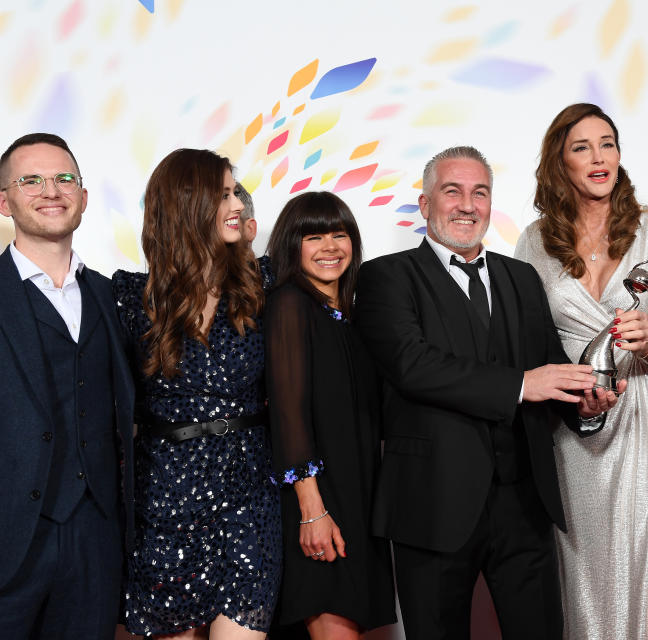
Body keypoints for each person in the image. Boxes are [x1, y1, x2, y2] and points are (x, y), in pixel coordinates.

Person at [354, 146, 618, 639]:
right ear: (425, 204)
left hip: (524, 505)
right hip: (432, 507)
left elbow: (550, 367)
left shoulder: (521, 277)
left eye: (480, 193)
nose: (467, 204)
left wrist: (584, 404)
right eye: (452, 191)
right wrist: (522, 384)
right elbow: (414, 366)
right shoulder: (385, 277)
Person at [514, 103, 648, 639]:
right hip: (576, 431)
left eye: (608, 144)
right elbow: (533, 347)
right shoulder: (534, 242)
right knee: (590, 585)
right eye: (582, 147)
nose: (599, 158)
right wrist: (569, 397)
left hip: (646, 416)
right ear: (560, 163)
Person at [113, 148, 281, 638]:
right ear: (186, 205)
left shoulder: (262, 285)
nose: (238, 205)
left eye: (235, 192)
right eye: (223, 194)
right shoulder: (129, 299)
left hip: (249, 497)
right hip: (165, 501)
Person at [0, 133, 135, 639]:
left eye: (64, 179)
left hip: (97, 538)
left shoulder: (111, 294)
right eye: (30, 180)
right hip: (9, 534)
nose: (50, 191)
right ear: (4, 200)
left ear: (82, 196)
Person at [263, 191, 395, 638]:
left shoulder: (349, 317)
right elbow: (288, 413)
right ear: (291, 245)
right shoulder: (289, 304)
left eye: (339, 235)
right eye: (313, 237)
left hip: (357, 498)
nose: (330, 247)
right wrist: (311, 509)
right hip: (320, 502)